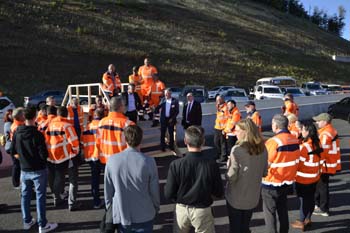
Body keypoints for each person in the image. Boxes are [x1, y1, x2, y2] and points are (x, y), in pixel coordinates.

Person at [164, 126, 224, 233]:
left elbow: (168, 193)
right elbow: (218, 191)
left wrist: (179, 199)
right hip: (202, 209)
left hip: (182, 209)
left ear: (185, 141)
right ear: (203, 142)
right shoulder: (211, 164)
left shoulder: (176, 165)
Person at [104, 125, 160, 233]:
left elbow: (108, 191)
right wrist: (156, 207)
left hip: (121, 213)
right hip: (145, 213)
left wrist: (110, 209)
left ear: (124, 139)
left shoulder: (112, 160)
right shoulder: (149, 161)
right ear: (141, 139)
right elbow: (154, 190)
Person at [10, 107, 58, 233]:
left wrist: (24, 159)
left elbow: (13, 151)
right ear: (35, 117)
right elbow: (44, 155)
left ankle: (27, 221)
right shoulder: (37, 134)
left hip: (24, 170)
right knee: (40, 197)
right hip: (38, 170)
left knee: (25, 196)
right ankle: (43, 224)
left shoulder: (17, 132)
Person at [226, 119, 268, 233]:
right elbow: (265, 172)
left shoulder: (237, 150)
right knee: (245, 226)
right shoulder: (263, 149)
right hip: (252, 197)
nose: (235, 132)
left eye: (238, 130)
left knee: (235, 228)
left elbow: (231, 176)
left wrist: (228, 166)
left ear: (246, 132)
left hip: (236, 197)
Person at [262, 114, 300, 233]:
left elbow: (265, 163)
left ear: (276, 125)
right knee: (282, 210)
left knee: (269, 212)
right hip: (286, 181)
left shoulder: (273, 141)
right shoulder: (294, 139)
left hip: (271, 181)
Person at [291, 121, 324, 231]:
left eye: (303, 130)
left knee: (303, 200)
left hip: (303, 178)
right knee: (310, 199)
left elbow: (298, 164)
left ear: (308, 132)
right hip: (314, 177)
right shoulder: (317, 144)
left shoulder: (304, 147)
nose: (301, 131)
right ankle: (308, 219)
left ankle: (301, 221)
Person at [45, 106, 80, 210]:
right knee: (73, 180)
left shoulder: (50, 125)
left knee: (58, 178)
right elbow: (74, 142)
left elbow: (46, 140)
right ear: (67, 114)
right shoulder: (67, 126)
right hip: (67, 156)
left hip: (53, 156)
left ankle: (56, 199)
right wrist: (75, 153)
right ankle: (72, 203)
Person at [313, 113, 341, 217]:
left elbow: (321, 150)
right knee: (322, 186)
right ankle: (320, 206)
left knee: (322, 186)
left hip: (325, 163)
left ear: (325, 122)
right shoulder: (330, 130)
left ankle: (323, 209)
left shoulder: (325, 134)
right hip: (329, 162)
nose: (317, 123)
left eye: (318, 121)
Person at [96, 96, 135, 165]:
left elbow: (98, 143)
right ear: (121, 107)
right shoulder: (128, 124)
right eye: (124, 105)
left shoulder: (101, 122)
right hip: (122, 162)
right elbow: (133, 147)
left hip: (106, 161)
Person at [82, 109, 105, 209]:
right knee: (107, 179)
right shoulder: (103, 126)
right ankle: (110, 201)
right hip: (101, 156)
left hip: (90, 156)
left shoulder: (87, 126)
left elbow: (83, 142)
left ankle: (96, 201)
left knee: (94, 180)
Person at [10, 107, 25, 188]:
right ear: (19, 116)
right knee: (18, 167)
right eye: (23, 114)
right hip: (18, 150)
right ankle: (17, 184)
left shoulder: (16, 124)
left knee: (17, 167)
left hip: (16, 149)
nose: (25, 116)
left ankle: (17, 184)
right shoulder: (17, 127)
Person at [214, 95, 229, 161]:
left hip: (223, 128)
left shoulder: (226, 107)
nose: (218, 101)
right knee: (216, 142)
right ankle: (219, 153)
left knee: (223, 143)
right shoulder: (218, 107)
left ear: (222, 100)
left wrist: (225, 129)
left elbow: (228, 119)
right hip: (217, 127)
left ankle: (223, 156)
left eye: (219, 100)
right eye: (217, 100)